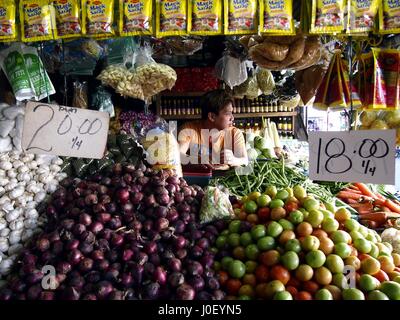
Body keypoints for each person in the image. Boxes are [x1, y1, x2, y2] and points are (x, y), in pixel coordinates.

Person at [178, 90, 248, 169]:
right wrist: (194, 159)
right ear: (212, 116)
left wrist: (233, 160)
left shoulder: (234, 133)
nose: (232, 118)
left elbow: (244, 160)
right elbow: (177, 155)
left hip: (224, 179)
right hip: (197, 179)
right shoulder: (189, 129)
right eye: (228, 113)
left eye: (232, 113)